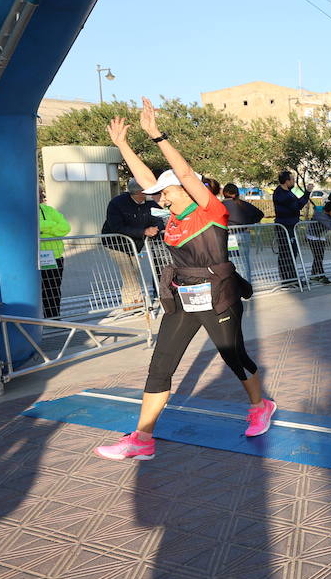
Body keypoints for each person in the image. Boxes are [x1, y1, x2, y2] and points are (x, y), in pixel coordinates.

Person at [94, 98, 274, 461]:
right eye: (159, 192)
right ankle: (142, 439)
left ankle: (260, 405)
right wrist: (123, 145)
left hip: (218, 296)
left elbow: (187, 174)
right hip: (183, 298)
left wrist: (157, 135)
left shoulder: (210, 211)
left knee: (233, 356)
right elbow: (147, 180)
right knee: (160, 367)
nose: (159, 195)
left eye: (166, 190)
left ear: (184, 190)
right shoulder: (171, 216)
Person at [102, 178, 162, 309]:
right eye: (146, 191)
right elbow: (117, 227)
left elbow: (158, 217)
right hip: (115, 243)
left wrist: (157, 227)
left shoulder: (149, 203)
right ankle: (138, 300)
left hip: (134, 243)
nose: (149, 194)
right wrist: (144, 231)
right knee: (128, 271)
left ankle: (128, 302)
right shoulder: (117, 203)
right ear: (140, 192)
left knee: (133, 270)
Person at [221, 183, 263, 282]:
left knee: (234, 262)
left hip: (230, 236)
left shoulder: (221, 205)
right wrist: (249, 223)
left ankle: (237, 288)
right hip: (243, 234)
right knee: (244, 262)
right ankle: (247, 287)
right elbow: (260, 214)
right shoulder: (243, 204)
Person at [38, 188, 70, 318]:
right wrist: (52, 226)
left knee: (53, 289)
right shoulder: (22, 212)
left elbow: (65, 227)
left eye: (41, 194)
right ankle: (37, 318)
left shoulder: (49, 210)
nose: (41, 197)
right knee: (37, 290)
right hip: (33, 258)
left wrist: (44, 228)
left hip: (54, 257)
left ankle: (54, 316)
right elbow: (31, 226)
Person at [272, 171, 304, 285]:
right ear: (287, 181)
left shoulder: (288, 193)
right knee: (287, 252)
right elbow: (296, 207)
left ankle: (292, 277)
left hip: (291, 225)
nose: (294, 182)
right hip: (285, 226)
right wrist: (307, 194)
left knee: (292, 251)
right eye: (292, 179)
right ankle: (288, 279)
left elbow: (297, 204)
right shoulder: (282, 194)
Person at [306, 202, 331, 284]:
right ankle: (322, 276)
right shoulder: (319, 215)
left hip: (321, 237)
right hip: (313, 237)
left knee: (319, 256)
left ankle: (314, 275)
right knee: (318, 257)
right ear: (329, 211)